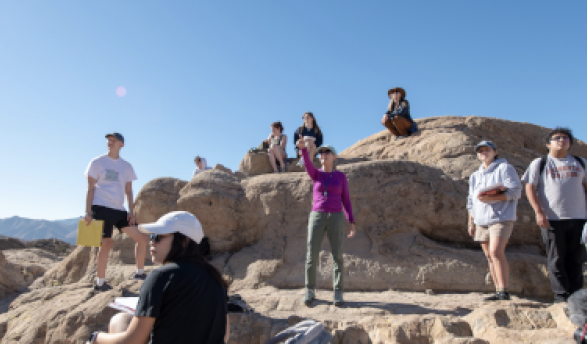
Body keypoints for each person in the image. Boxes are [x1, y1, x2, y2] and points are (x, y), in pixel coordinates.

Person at [87, 211, 230, 344]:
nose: (151, 241)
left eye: (158, 236)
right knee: (123, 319)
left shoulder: (161, 276)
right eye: (151, 236)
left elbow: (132, 341)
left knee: (118, 321)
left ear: (184, 241)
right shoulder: (216, 278)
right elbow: (225, 335)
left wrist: (96, 337)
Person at [522, 127, 587, 303]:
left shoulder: (581, 163)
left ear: (570, 143)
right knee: (556, 259)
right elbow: (529, 187)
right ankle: (561, 297)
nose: (561, 140)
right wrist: (538, 212)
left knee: (576, 259)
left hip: (579, 218)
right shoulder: (540, 163)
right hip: (552, 218)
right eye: (557, 138)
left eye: (565, 138)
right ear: (548, 144)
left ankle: (577, 298)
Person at [84, 133, 149, 291]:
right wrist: (87, 212)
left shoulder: (126, 166)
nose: (109, 142)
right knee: (106, 243)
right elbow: (90, 188)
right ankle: (100, 283)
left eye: (113, 140)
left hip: (119, 209)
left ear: (122, 144)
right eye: (108, 140)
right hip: (101, 207)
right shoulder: (97, 162)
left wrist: (131, 212)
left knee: (141, 238)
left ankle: (139, 273)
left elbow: (129, 191)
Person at [296, 139, 356, 307]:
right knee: (311, 255)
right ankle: (309, 290)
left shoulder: (341, 176)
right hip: (317, 216)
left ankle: (338, 292)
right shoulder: (316, 174)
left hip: (336, 217)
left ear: (334, 157)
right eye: (321, 153)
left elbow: (346, 200)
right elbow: (307, 164)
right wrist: (303, 150)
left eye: (327, 152)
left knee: (337, 256)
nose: (323, 155)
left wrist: (351, 221)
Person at [466, 141, 522, 301]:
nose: (483, 152)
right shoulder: (475, 175)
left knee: (496, 252)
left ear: (495, 151)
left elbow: (516, 192)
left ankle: (504, 291)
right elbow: (471, 200)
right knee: (489, 256)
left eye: (487, 149)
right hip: (480, 219)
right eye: (480, 150)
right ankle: (498, 291)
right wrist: (471, 222)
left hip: (501, 217)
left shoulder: (505, 168)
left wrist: (491, 198)